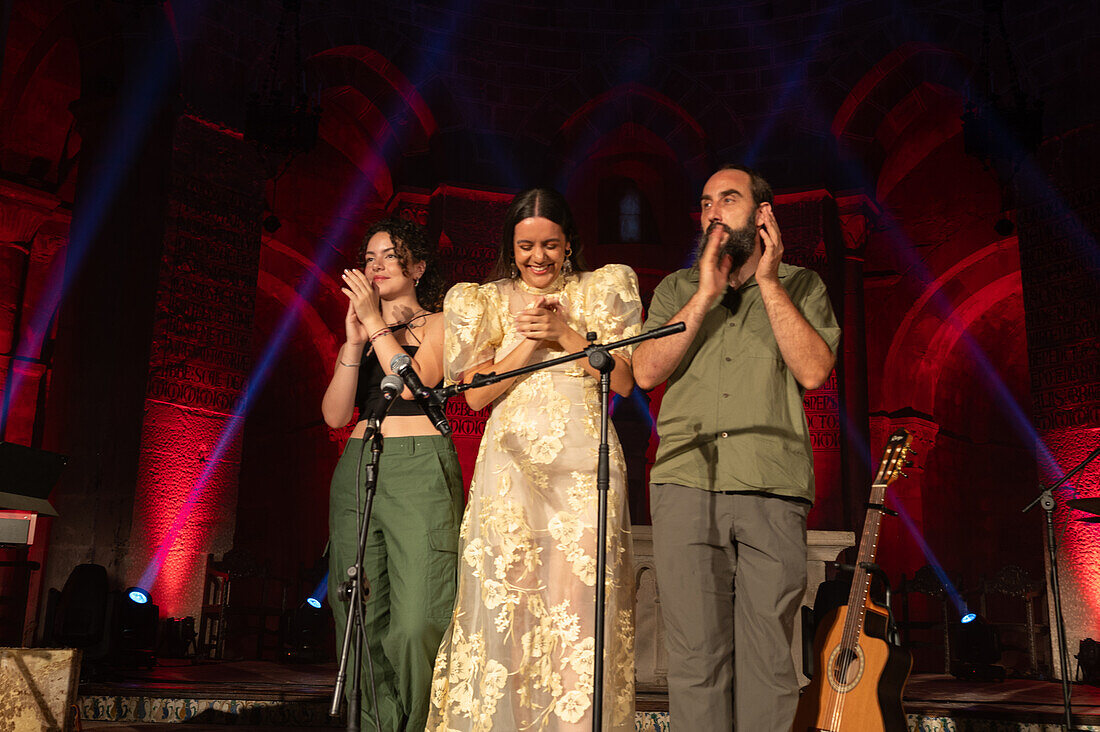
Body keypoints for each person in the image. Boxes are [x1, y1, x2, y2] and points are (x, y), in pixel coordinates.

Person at [632, 165, 841, 732]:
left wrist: (769, 283)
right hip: (685, 482)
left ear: (762, 214)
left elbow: (815, 369)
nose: (713, 212)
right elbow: (646, 373)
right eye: (704, 203)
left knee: (769, 658)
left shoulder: (803, 286)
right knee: (695, 657)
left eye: (729, 199)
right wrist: (704, 294)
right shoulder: (677, 290)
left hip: (770, 485)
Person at [427, 188, 640, 731]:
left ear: (569, 243)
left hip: (584, 471)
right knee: (507, 606)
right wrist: (529, 340)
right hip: (511, 473)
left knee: (578, 613)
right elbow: (474, 395)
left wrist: (566, 333)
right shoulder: (483, 300)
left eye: (549, 244)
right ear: (511, 246)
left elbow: (624, 380)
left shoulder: (602, 289)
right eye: (526, 246)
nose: (538, 257)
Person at [322, 217, 463, 732]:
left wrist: (375, 325)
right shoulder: (362, 328)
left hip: (419, 470)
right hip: (358, 467)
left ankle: (422, 724)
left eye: (389, 255)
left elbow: (414, 384)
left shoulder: (443, 321)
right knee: (358, 616)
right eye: (369, 257)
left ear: (418, 268)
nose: (375, 265)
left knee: (417, 621)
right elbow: (336, 416)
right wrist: (353, 341)